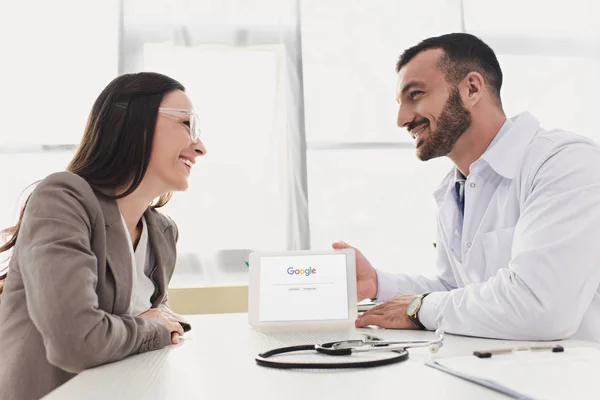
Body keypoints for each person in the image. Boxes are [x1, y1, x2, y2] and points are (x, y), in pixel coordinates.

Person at [333, 33, 600, 343]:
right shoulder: (454, 188)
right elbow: (457, 293)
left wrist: (418, 308)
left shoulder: (564, 163)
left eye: (415, 94)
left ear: (472, 88)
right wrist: (377, 284)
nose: (402, 119)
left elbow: (542, 307)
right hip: (502, 377)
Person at [0, 72, 207, 399]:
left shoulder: (163, 232)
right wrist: (152, 328)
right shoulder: (62, 199)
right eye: (187, 124)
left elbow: (159, 331)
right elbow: (76, 342)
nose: (200, 147)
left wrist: (154, 329)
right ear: (135, 124)